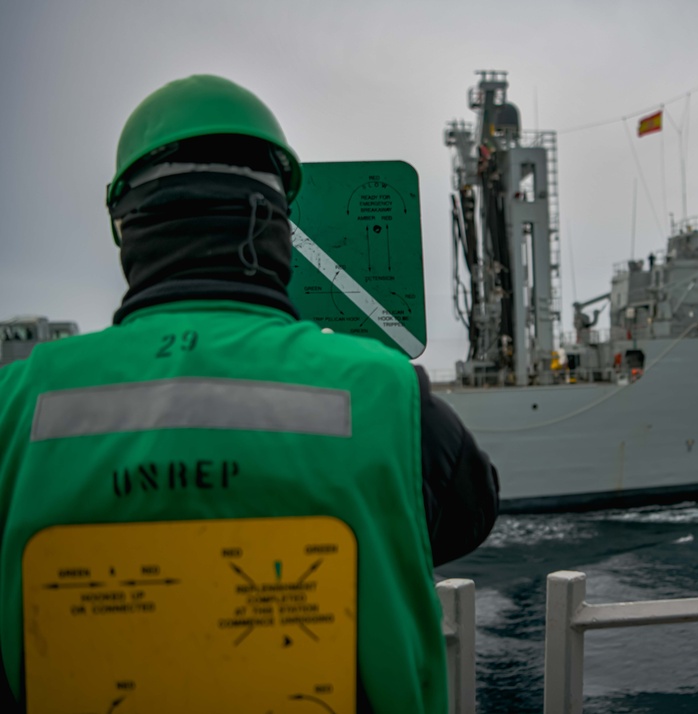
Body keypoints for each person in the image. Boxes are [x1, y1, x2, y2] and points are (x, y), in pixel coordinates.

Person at [0, 75, 499, 712]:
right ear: (279, 224)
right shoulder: (379, 389)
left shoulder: (16, 404)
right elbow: (470, 513)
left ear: (124, 227)